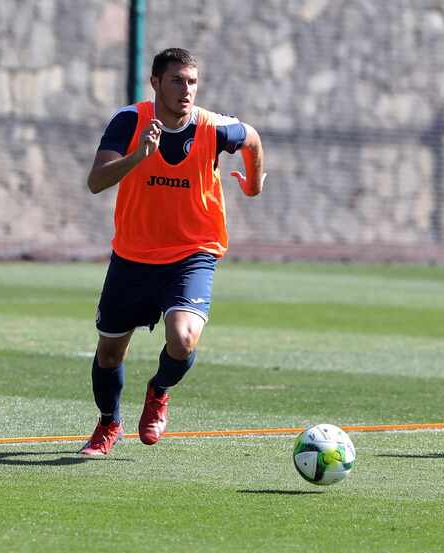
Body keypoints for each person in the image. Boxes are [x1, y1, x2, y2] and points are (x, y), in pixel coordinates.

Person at [79, 47, 266, 456]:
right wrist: (138, 157)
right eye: (177, 80)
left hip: (192, 251)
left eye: (193, 82)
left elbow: (251, 138)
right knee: (110, 353)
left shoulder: (214, 127)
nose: (187, 90)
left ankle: (159, 390)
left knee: (182, 339)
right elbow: (95, 181)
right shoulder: (130, 121)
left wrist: (253, 184)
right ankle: (109, 423)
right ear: (156, 83)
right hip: (133, 255)